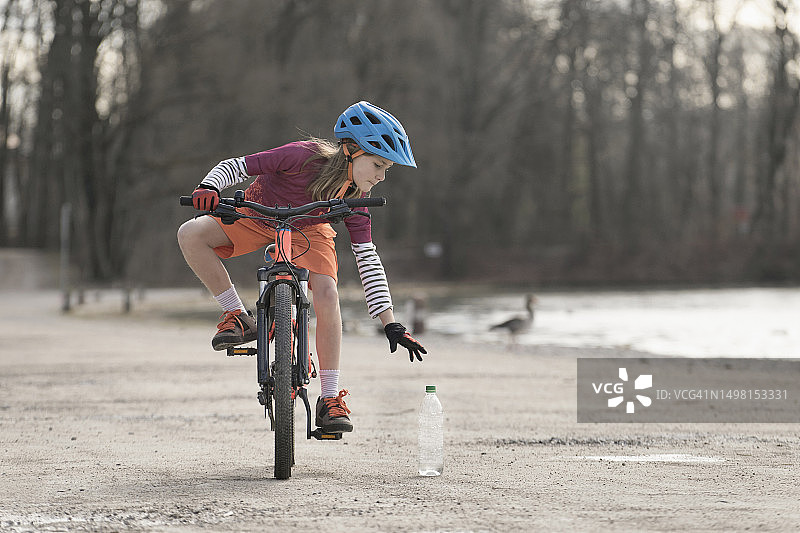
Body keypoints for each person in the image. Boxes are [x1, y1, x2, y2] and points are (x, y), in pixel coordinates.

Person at [177, 101, 427, 434]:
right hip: (259, 213)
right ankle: (237, 314)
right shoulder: (301, 156)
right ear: (351, 150)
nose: (381, 177)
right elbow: (237, 166)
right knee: (190, 233)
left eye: (387, 170)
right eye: (378, 165)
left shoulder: (353, 200)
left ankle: (328, 399)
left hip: (312, 231)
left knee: (327, 293)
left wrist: (390, 323)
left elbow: (368, 260)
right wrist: (209, 187)